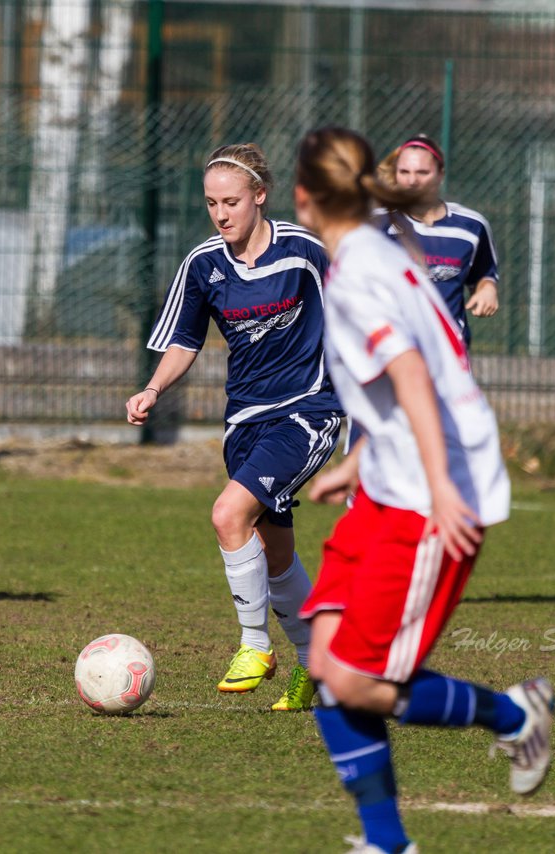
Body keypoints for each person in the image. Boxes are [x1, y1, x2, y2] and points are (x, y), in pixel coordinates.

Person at [292, 126, 553, 854]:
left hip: (429, 493)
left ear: (302, 197)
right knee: (325, 659)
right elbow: (425, 360)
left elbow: (409, 370)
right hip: (392, 477)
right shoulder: (382, 245)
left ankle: (514, 715)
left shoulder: (355, 275)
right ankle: (386, 842)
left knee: (357, 681)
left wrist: (438, 486)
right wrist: (363, 455)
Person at [126, 143, 343, 712]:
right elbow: (184, 338)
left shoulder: (304, 253)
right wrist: (153, 389)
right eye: (211, 203)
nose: (221, 214)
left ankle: (254, 645)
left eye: (231, 202)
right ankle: (317, 660)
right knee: (274, 559)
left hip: (309, 410)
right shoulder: (204, 263)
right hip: (245, 421)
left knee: (227, 514)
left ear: (259, 197)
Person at [377, 134, 499, 348]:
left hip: (451, 358)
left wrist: (487, 289)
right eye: (404, 172)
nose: (412, 180)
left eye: (422, 172)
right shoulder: (376, 225)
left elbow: (484, 276)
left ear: (441, 173)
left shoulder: (471, 226)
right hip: (393, 355)